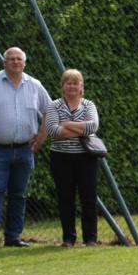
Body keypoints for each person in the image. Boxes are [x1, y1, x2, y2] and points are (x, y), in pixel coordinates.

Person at [0, 47, 51, 250]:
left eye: (19, 59)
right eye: (11, 59)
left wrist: (41, 137)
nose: (15, 62)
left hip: (24, 150)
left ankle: (13, 237)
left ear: (24, 63)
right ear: (4, 63)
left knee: (18, 194)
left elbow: (50, 111)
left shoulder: (35, 85)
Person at [45, 69, 101, 247]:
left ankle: (90, 238)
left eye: (75, 83)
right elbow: (52, 131)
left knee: (89, 198)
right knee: (65, 198)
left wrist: (66, 124)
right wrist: (80, 129)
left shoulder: (89, 105)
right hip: (61, 159)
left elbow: (93, 127)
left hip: (87, 158)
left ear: (81, 86)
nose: (72, 86)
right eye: (68, 83)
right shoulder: (54, 106)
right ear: (63, 86)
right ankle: (68, 238)